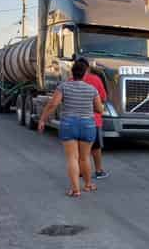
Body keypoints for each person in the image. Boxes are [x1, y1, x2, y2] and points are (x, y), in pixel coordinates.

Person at [38, 61, 104, 197]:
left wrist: (43, 119)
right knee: (85, 157)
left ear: (72, 73)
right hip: (88, 125)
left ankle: (75, 190)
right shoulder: (92, 89)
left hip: (69, 124)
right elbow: (99, 109)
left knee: (72, 158)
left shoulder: (63, 87)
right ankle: (88, 184)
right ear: (85, 73)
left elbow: (53, 104)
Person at [76, 57, 109, 179]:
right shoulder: (96, 79)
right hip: (93, 120)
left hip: (76, 120)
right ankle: (99, 171)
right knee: (95, 147)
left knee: (79, 148)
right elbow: (104, 98)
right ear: (87, 68)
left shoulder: (70, 80)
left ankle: (79, 171)